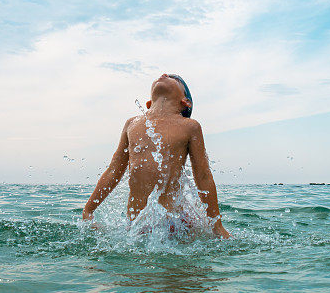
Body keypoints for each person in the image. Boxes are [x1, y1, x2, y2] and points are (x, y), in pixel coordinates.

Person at [82, 73, 230, 238]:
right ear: (148, 103)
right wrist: (89, 209)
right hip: (137, 224)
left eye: (174, 79)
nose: (165, 75)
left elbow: (203, 176)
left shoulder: (190, 126)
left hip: (174, 221)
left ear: (185, 102)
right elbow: (113, 171)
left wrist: (216, 226)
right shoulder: (132, 124)